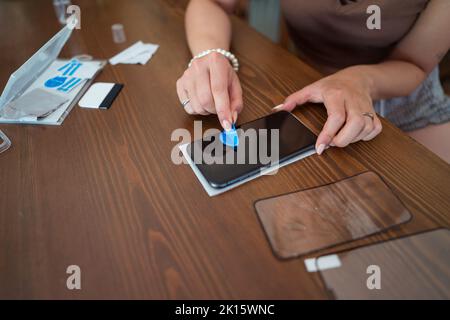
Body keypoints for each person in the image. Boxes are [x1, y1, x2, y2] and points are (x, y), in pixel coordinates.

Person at [176, 0, 450, 162]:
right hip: (306, 92)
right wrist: (212, 54)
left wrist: (359, 80)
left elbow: (414, 63)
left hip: (406, 98)